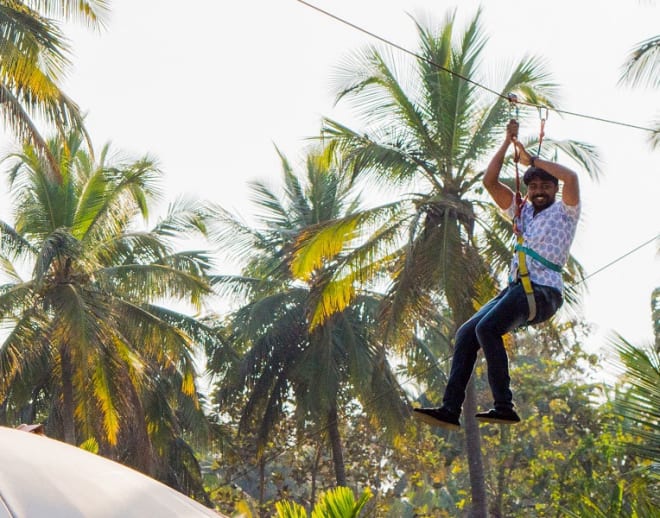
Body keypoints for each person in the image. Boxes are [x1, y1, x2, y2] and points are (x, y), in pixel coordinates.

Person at [414, 120, 581, 430]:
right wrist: (507, 143)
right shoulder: (522, 211)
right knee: (467, 332)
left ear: (555, 190)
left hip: (543, 293)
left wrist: (529, 160)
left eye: (545, 186)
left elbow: (571, 176)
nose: (539, 191)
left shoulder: (566, 211)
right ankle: (450, 408)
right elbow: (490, 181)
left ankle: (504, 405)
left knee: (488, 329)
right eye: (533, 186)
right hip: (517, 289)